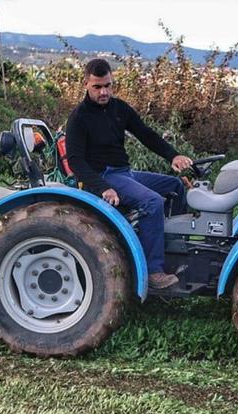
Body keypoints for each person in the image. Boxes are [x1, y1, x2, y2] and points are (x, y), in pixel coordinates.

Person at [66, 58, 193, 290]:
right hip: (104, 176)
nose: (104, 91)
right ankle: (153, 271)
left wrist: (173, 155)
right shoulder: (79, 118)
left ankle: (175, 253)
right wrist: (103, 186)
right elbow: (76, 161)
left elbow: (146, 134)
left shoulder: (119, 108)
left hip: (125, 173)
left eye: (108, 85)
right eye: (97, 87)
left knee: (174, 186)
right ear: (86, 84)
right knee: (152, 201)